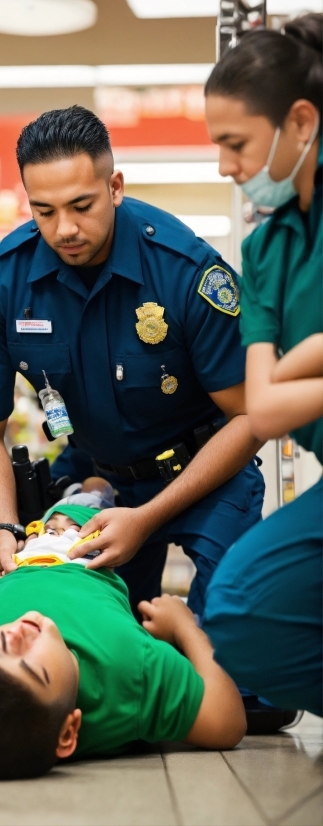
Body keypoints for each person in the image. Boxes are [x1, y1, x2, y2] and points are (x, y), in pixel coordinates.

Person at [0, 106, 265, 627]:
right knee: (87, 647)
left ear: (115, 186)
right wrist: (4, 527)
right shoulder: (4, 281)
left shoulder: (186, 271)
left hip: (206, 473)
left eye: (81, 205)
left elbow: (250, 416)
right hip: (97, 479)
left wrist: (148, 518)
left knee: (239, 659)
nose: (65, 229)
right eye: (44, 211)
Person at [202, 13, 322, 717]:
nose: (225, 165)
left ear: (300, 121)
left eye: (235, 143)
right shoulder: (268, 248)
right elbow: (265, 409)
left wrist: (301, 359)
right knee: (240, 611)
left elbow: (277, 387)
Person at [0, 565, 246, 780]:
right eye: (31, 666)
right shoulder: (129, 669)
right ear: (68, 732)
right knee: (94, 488)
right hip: (88, 552)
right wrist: (184, 626)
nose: (15, 633)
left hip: (21, 552)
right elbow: (227, 722)